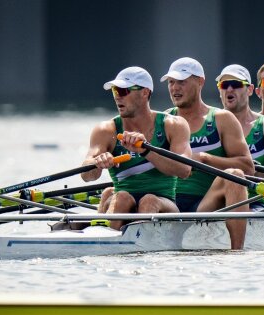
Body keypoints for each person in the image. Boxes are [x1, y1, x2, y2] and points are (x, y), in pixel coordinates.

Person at [81, 66, 192, 230]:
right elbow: (86, 175)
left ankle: (137, 246)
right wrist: (96, 163)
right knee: (122, 197)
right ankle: (106, 245)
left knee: (148, 200)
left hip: (163, 203)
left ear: (145, 93)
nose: (117, 96)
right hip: (122, 201)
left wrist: (146, 150)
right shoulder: (106, 130)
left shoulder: (173, 125)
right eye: (114, 90)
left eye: (123, 91)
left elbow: (184, 170)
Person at [160, 57, 255, 249]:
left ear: (200, 82)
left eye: (181, 82)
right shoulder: (164, 119)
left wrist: (204, 159)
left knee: (235, 176)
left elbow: (248, 167)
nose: (175, 88)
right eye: (171, 82)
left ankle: (237, 251)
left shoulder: (221, 119)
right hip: (168, 203)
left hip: (205, 203)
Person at [216, 64, 264, 180]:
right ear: (220, 91)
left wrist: (247, 168)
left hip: (257, 197)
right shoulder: (209, 124)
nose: (229, 89)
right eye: (224, 85)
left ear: (250, 90)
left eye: (236, 84)